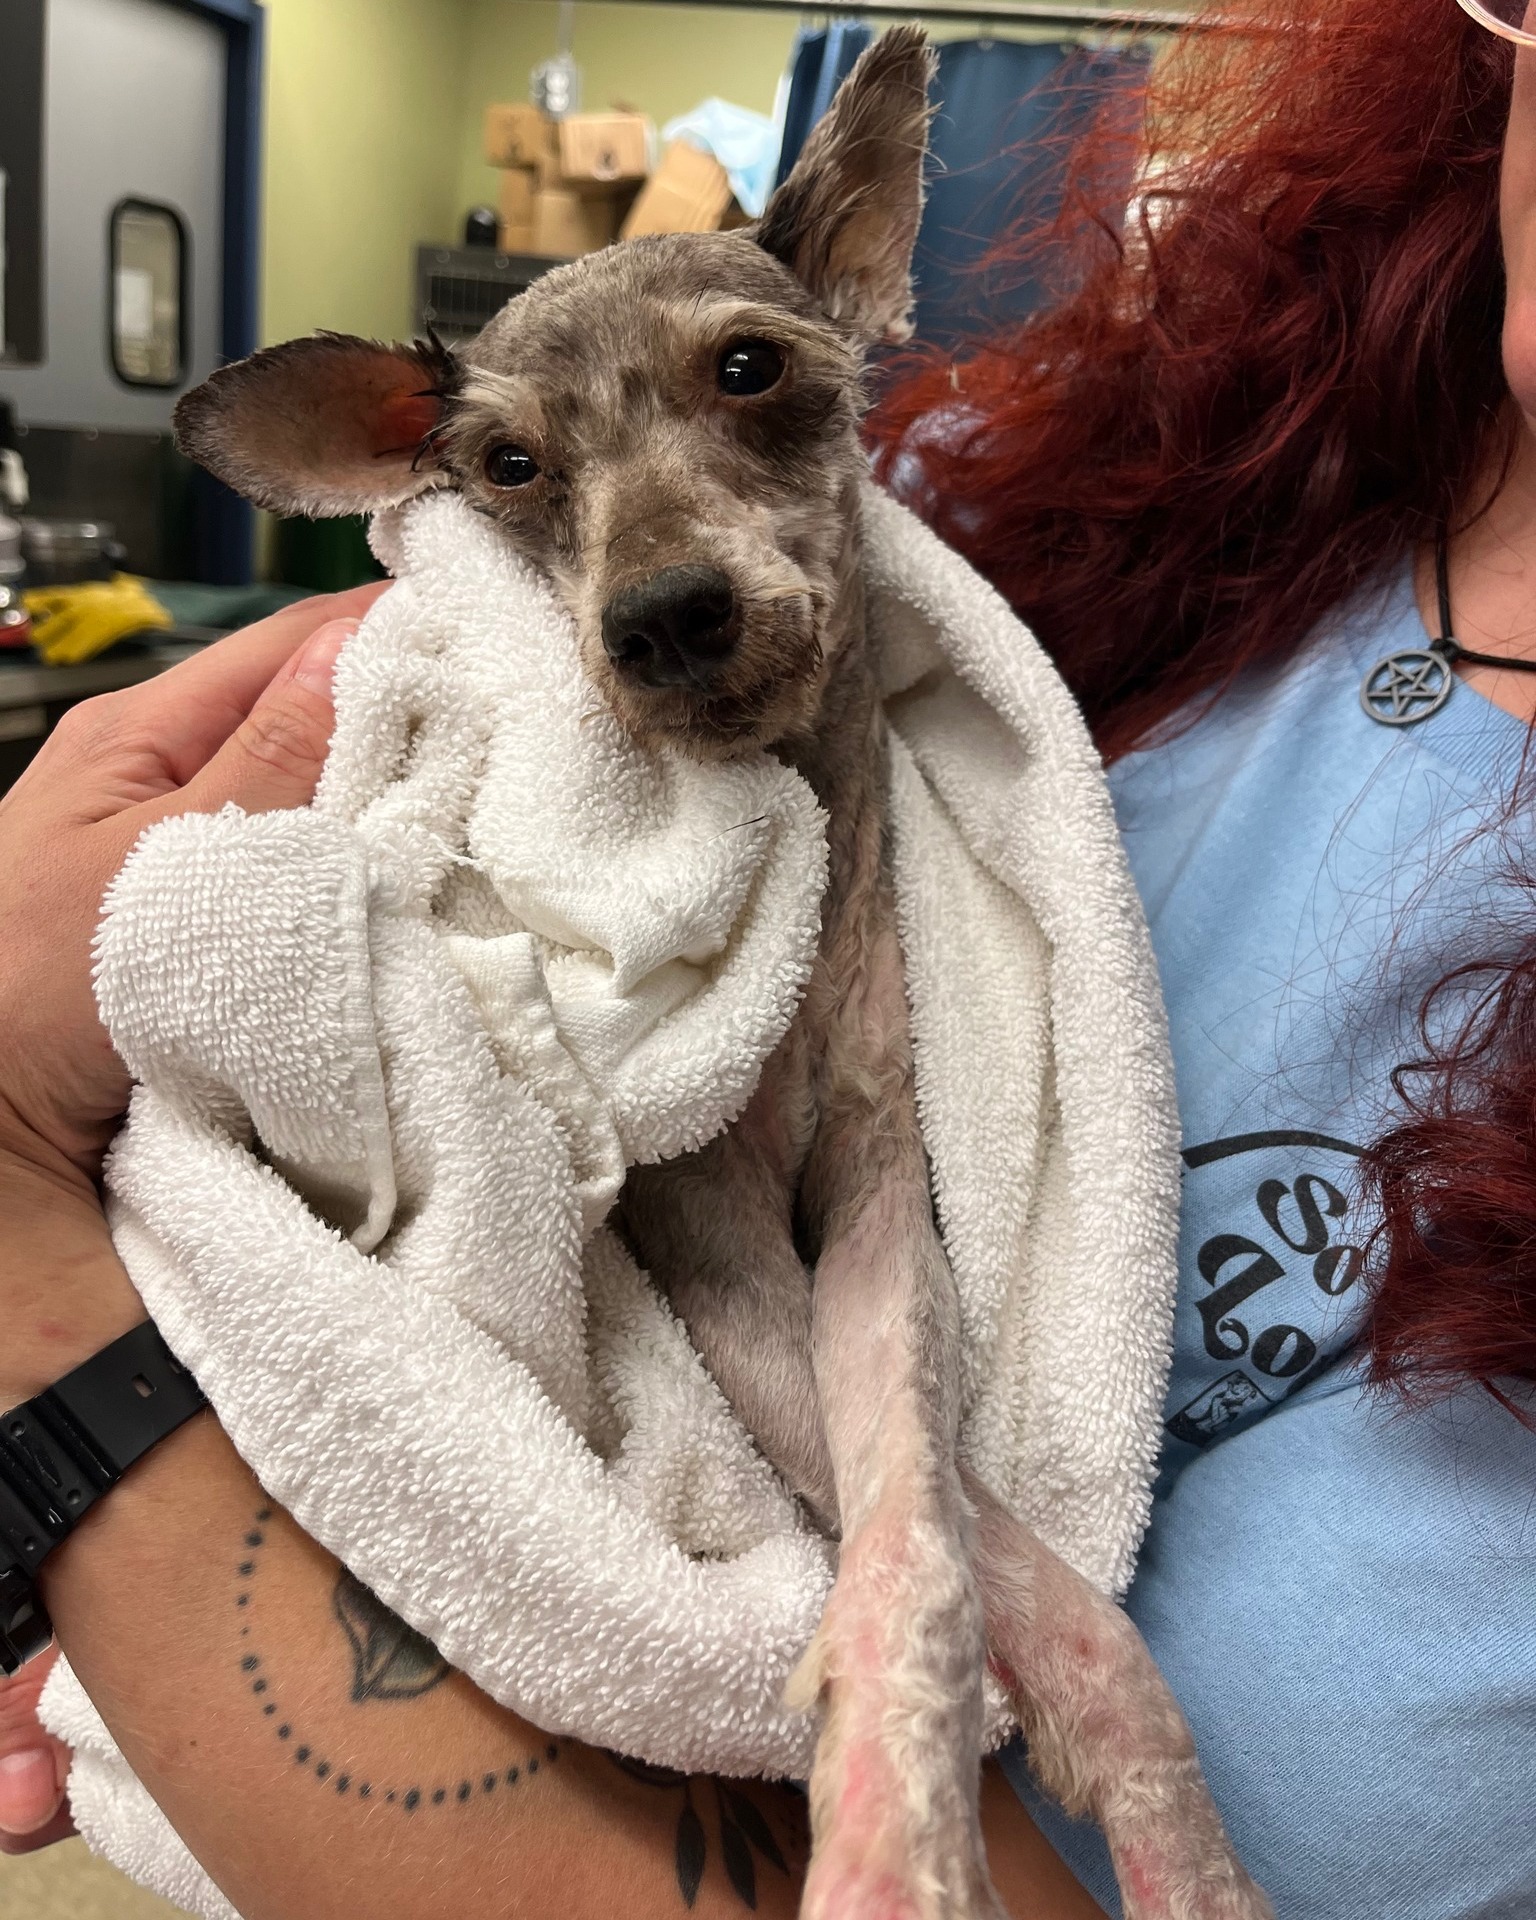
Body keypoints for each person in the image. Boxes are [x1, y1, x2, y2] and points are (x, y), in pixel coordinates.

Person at [2, 0, 1535, 1910]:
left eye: (749, 375)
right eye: (512, 469)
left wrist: (38, 1307)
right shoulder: (1148, 491)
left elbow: (867, 1173)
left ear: (857, 268)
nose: (654, 558)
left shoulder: (948, 601)